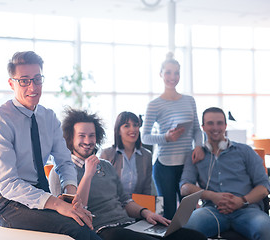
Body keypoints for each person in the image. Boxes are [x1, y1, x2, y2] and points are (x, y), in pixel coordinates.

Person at [0, 51, 101, 240]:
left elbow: (64, 161)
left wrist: (71, 193)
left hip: (40, 193)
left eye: (37, 79)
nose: (33, 86)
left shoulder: (48, 117)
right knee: (76, 229)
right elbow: (8, 183)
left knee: (84, 221)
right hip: (7, 201)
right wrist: (57, 204)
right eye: (24, 80)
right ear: (11, 83)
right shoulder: (1, 121)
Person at [50, 108, 207, 240]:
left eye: (92, 135)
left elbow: (125, 200)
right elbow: (75, 211)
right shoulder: (62, 171)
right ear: (70, 138)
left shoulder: (106, 166)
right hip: (101, 229)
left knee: (194, 237)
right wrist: (88, 174)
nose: (88, 140)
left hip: (128, 223)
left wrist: (146, 213)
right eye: (82, 135)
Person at [180, 107, 270, 239]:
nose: (215, 127)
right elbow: (184, 187)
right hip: (212, 211)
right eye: (210, 123)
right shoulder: (196, 155)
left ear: (225, 126)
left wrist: (242, 201)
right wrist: (212, 195)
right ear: (203, 127)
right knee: (187, 229)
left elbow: (264, 187)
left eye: (219, 123)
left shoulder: (245, 151)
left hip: (247, 209)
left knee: (265, 228)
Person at [142, 52, 204, 219]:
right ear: (161, 74)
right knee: (168, 213)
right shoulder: (154, 105)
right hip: (164, 166)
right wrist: (166, 138)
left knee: (190, 211)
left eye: (176, 72)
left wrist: (198, 145)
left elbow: (197, 129)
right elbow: (145, 137)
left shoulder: (189, 100)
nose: (172, 77)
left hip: (188, 164)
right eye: (168, 72)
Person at [100, 111, 154, 197]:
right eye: (127, 126)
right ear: (118, 131)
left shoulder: (147, 156)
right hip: (113, 204)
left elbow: (147, 190)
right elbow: (102, 187)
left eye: (135, 125)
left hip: (138, 205)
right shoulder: (107, 154)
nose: (132, 129)